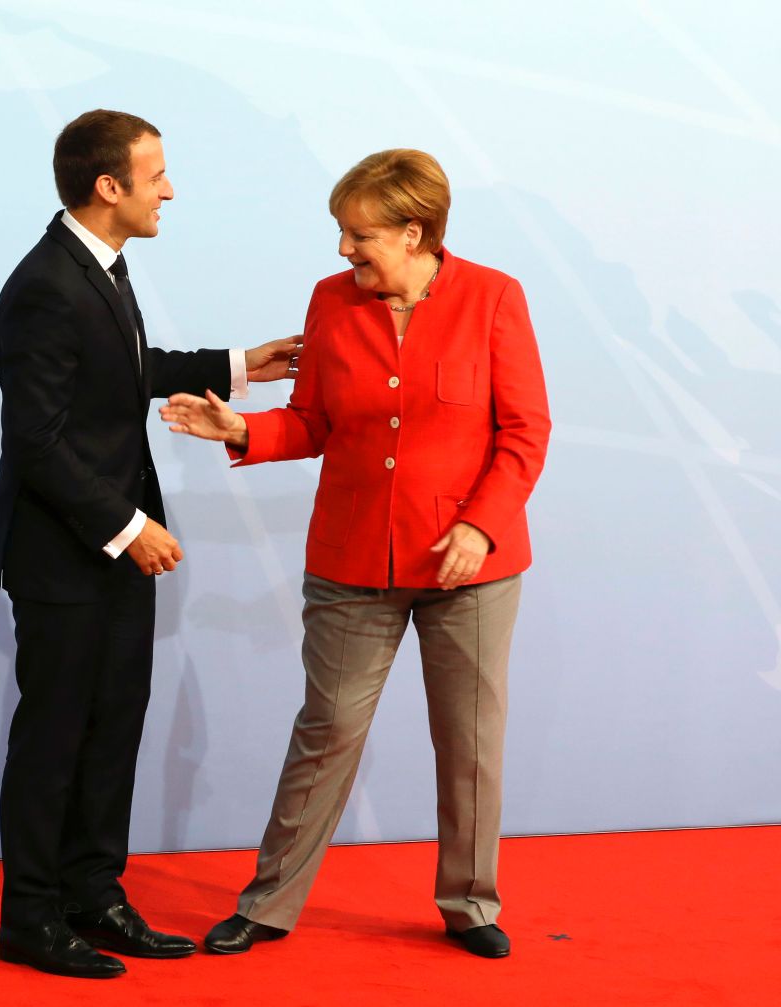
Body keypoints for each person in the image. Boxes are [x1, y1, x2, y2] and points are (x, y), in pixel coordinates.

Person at [160, 148, 551, 960]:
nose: (343, 250)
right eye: (340, 232)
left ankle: (470, 901)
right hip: (348, 562)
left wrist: (479, 523)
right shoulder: (331, 303)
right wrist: (245, 429)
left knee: (470, 737)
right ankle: (268, 903)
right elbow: (312, 423)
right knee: (327, 726)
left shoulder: (495, 297)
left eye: (358, 234)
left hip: (469, 568)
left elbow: (524, 431)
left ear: (414, 233)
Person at [0, 109, 299, 979]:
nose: (171, 189)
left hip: (111, 555)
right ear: (108, 186)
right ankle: (32, 919)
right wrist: (129, 527)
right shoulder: (45, 284)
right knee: (55, 737)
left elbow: (128, 367)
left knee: (112, 728)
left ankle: (95, 895)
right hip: (66, 557)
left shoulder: (100, 270)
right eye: (156, 173)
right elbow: (37, 442)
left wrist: (243, 362)